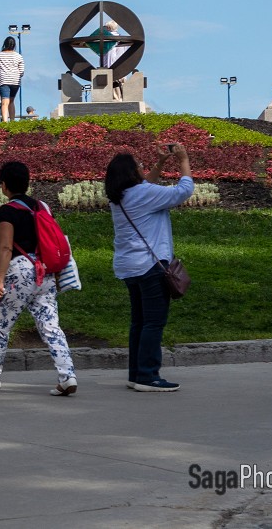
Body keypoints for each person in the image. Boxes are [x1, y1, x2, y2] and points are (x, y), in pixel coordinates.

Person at [0, 161, 76, 396]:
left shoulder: (8, 211)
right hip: (44, 271)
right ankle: (67, 376)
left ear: (4, 185)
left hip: (20, 272)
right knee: (51, 326)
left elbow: (6, 248)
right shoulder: (41, 206)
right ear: (27, 183)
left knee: (1, 326)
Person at [106, 143, 193, 392]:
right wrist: (183, 160)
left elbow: (146, 185)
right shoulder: (143, 195)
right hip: (150, 266)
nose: (143, 168)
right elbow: (183, 191)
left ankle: (137, 373)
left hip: (130, 267)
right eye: (139, 166)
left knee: (139, 323)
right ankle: (148, 376)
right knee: (153, 323)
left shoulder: (120, 197)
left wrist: (160, 164)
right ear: (132, 173)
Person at [0, 36, 25, 123]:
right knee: (11, 101)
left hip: (4, 81)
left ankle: (4, 121)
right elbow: (22, 72)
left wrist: (3, 73)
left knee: (4, 102)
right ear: (14, 45)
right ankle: (12, 120)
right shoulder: (19, 56)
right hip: (15, 81)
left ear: (5, 44)